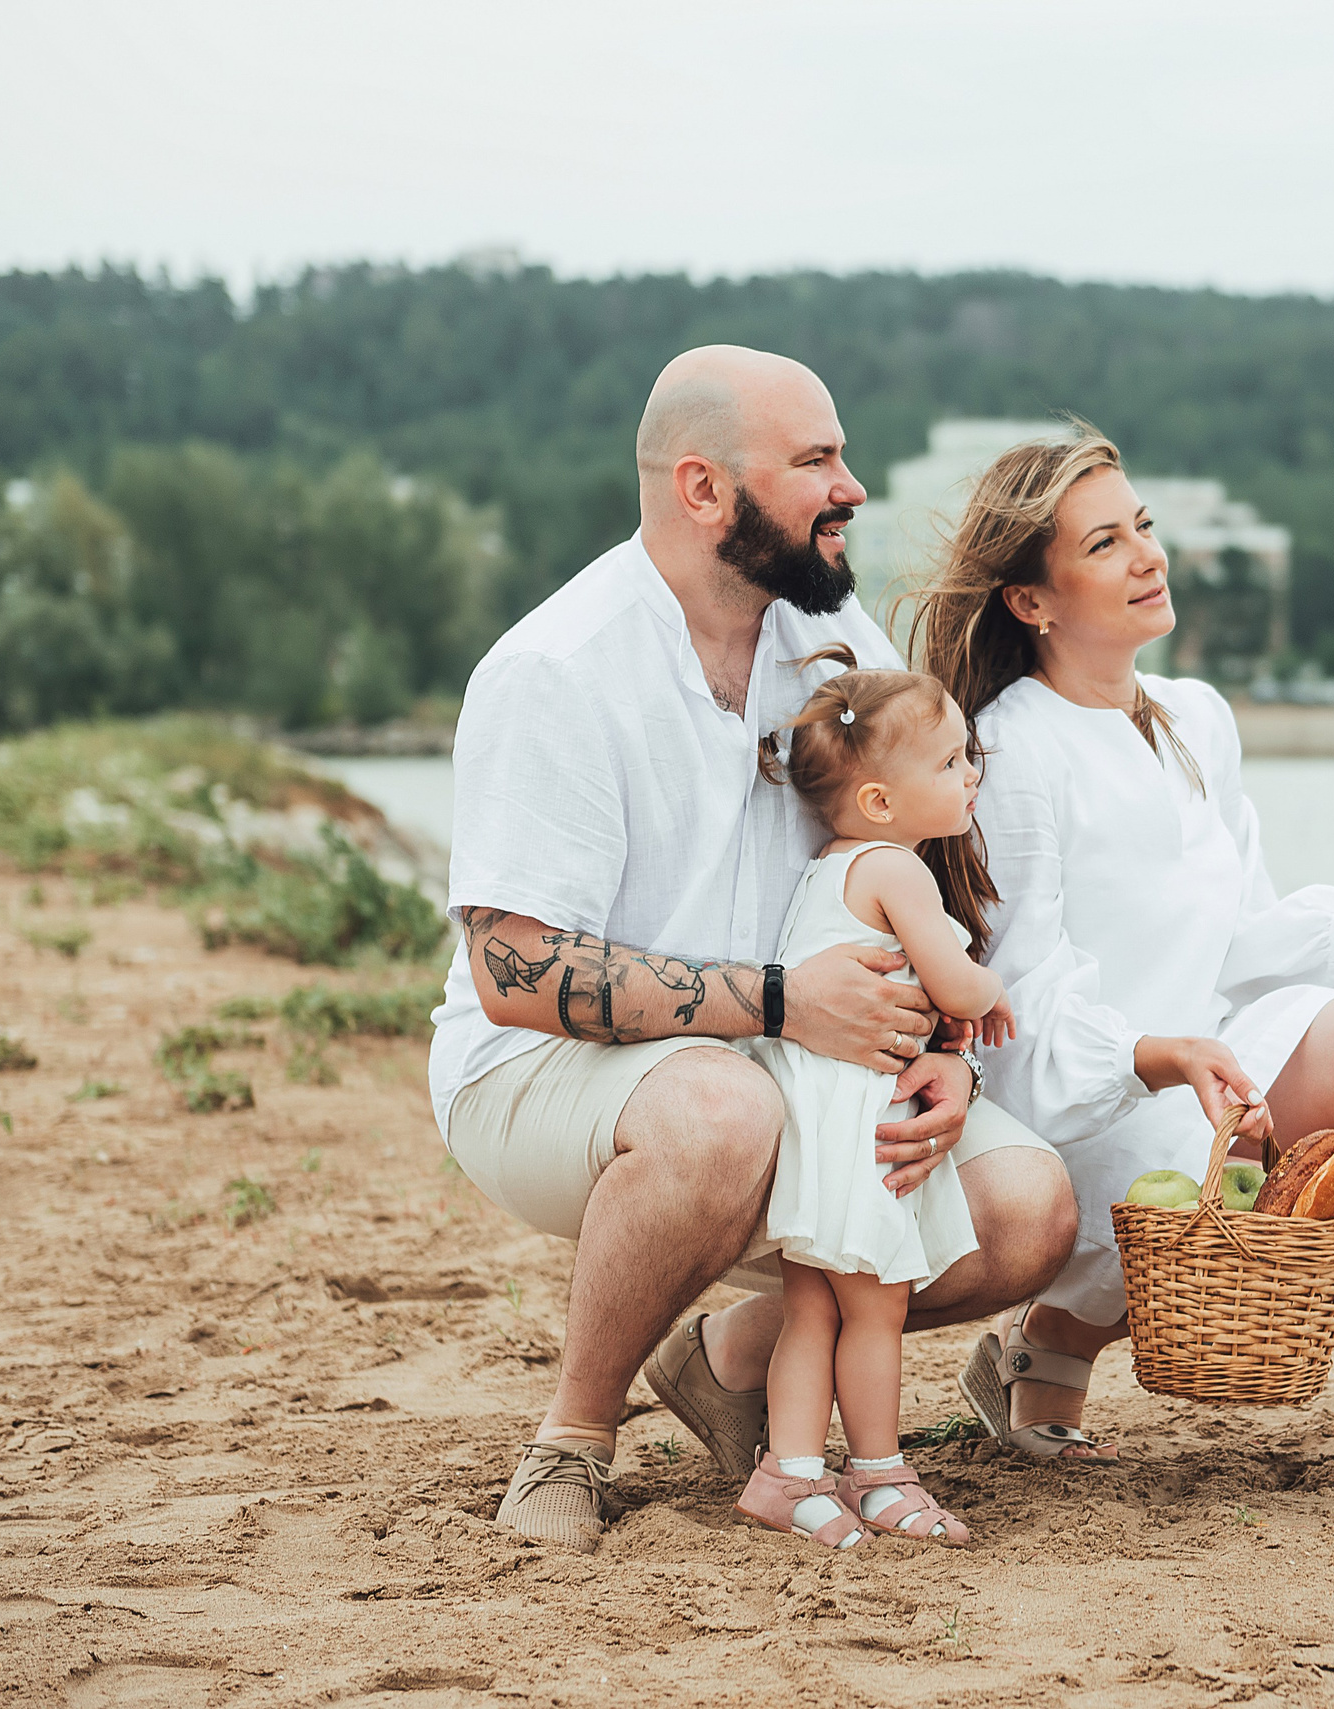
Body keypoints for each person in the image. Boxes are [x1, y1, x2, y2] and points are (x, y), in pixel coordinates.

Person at [428, 345, 1073, 1554]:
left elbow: (915, 864)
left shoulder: (834, 648)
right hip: (547, 1075)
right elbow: (513, 974)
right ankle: (572, 1437)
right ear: (703, 487)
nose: (851, 487)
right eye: (816, 460)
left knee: (1026, 1210)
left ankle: (726, 1365)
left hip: (800, 1055)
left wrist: (946, 1051)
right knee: (724, 1113)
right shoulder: (555, 669)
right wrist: (782, 1002)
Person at [908, 427, 1334, 1494]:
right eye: (1105, 543)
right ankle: (1058, 1334)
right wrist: (1161, 1055)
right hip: (1093, 1099)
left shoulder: (1196, 718)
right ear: (1031, 600)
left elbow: (1232, 935)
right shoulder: (1010, 748)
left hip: (1211, 1061)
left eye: (1144, 527)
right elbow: (1020, 1003)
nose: (1148, 555)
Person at [736, 650, 1012, 1549]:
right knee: (876, 1306)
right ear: (882, 803)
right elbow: (957, 983)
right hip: (861, 1119)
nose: (970, 774)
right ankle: (880, 1472)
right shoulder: (898, 869)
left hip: (814, 1114)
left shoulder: (831, 865)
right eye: (950, 761)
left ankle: (788, 1473)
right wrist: (990, 989)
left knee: (814, 1305)